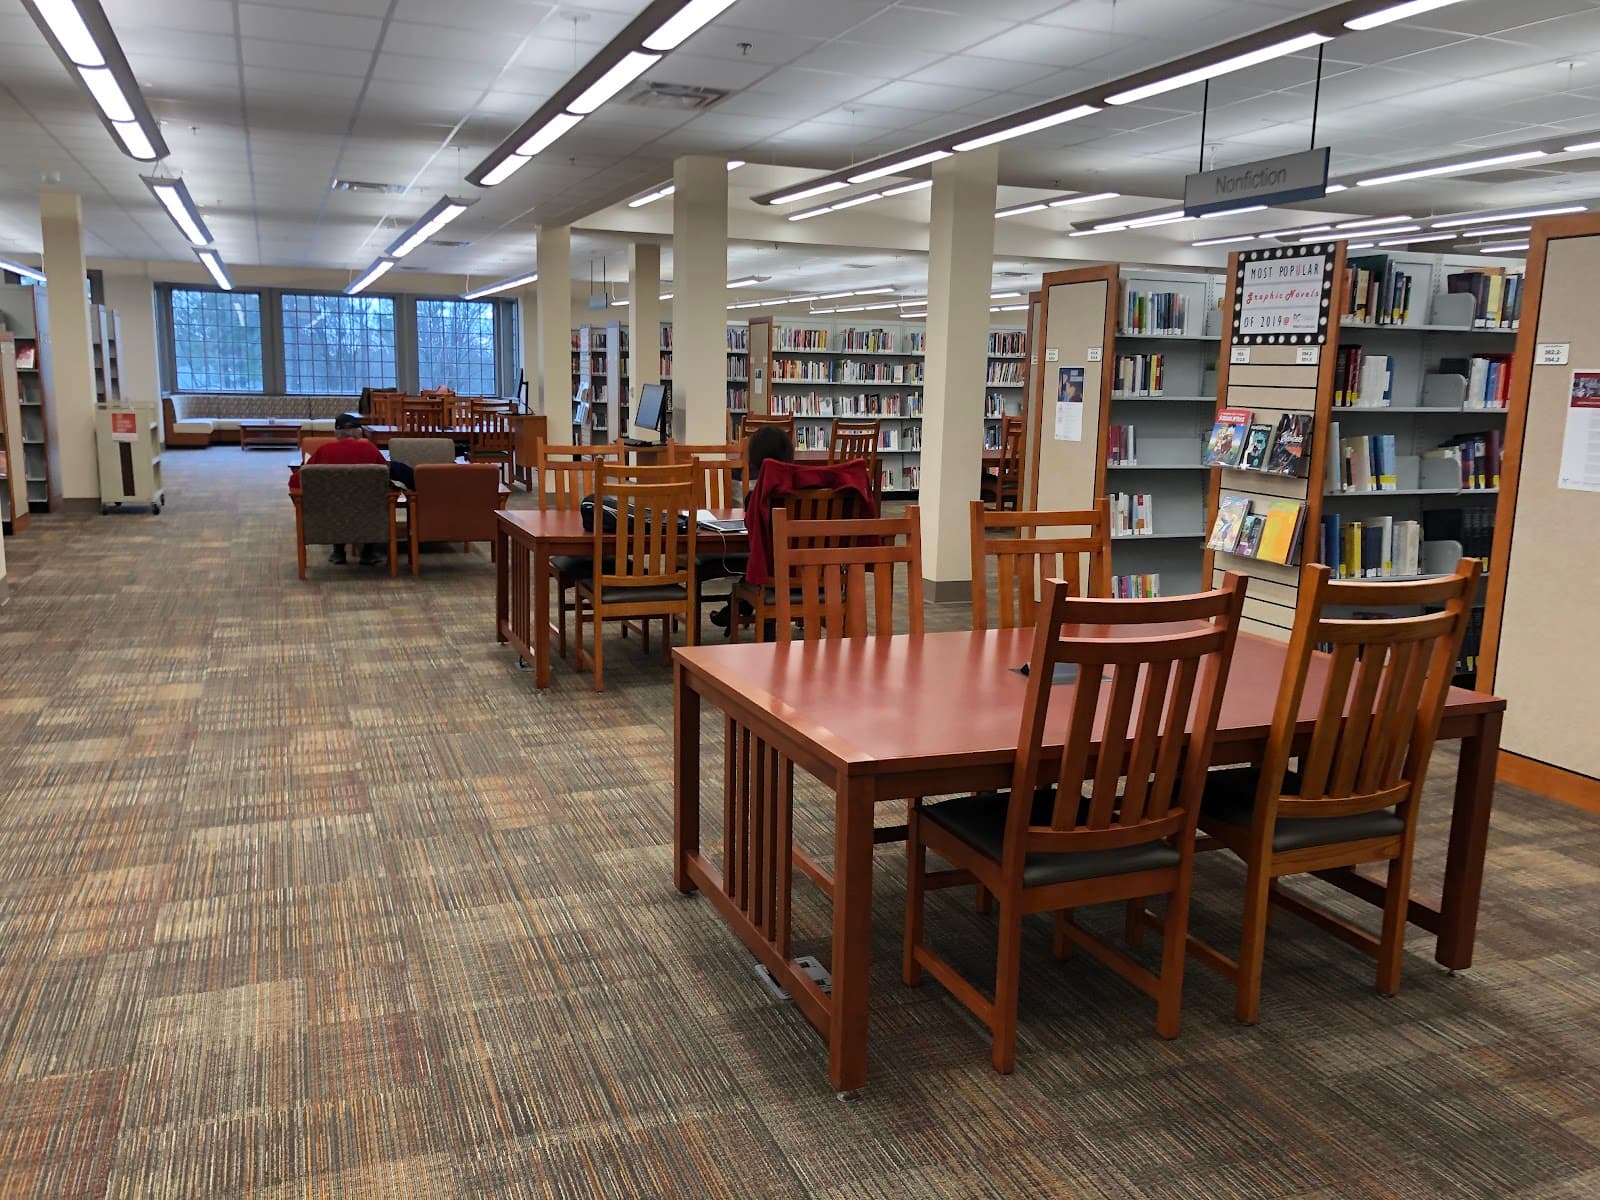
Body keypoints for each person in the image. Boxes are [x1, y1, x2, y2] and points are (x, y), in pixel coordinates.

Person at [709, 425, 795, 629]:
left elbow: (754, 533)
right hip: (812, 571)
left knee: (759, 569)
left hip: (773, 574)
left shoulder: (760, 498)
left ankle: (734, 609)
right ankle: (733, 609)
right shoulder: (807, 489)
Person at [290, 413, 399, 565]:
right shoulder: (370, 449)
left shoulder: (324, 450)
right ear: (359, 432)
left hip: (333, 512)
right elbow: (385, 475)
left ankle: (338, 552)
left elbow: (296, 481)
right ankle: (368, 553)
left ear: (336, 433)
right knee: (375, 500)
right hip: (368, 512)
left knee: (334, 500)